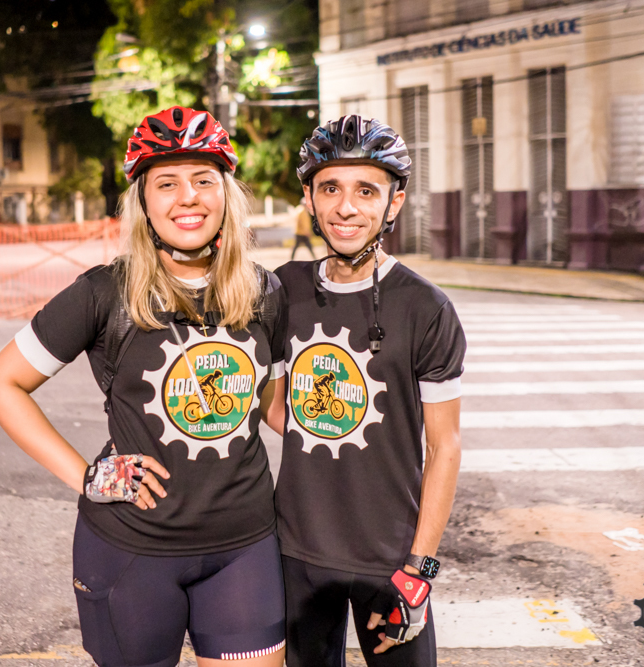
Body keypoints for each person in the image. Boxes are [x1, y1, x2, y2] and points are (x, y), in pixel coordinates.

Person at [0, 106, 288, 667]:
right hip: (130, 551)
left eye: (203, 180)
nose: (187, 197)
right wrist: (87, 476)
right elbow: (1, 384)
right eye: (166, 183)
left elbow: (273, 406)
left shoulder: (265, 291)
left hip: (245, 546)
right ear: (143, 203)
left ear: (227, 194)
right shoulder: (104, 293)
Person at [267, 115, 467, 667]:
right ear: (309, 197)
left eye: (365, 190)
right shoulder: (285, 288)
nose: (346, 207)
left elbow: (445, 446)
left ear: (393, 203)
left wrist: (420, 569)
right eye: (330, 188)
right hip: (298, 552)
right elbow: (280, 413)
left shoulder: (425, 307)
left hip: (392, 557)